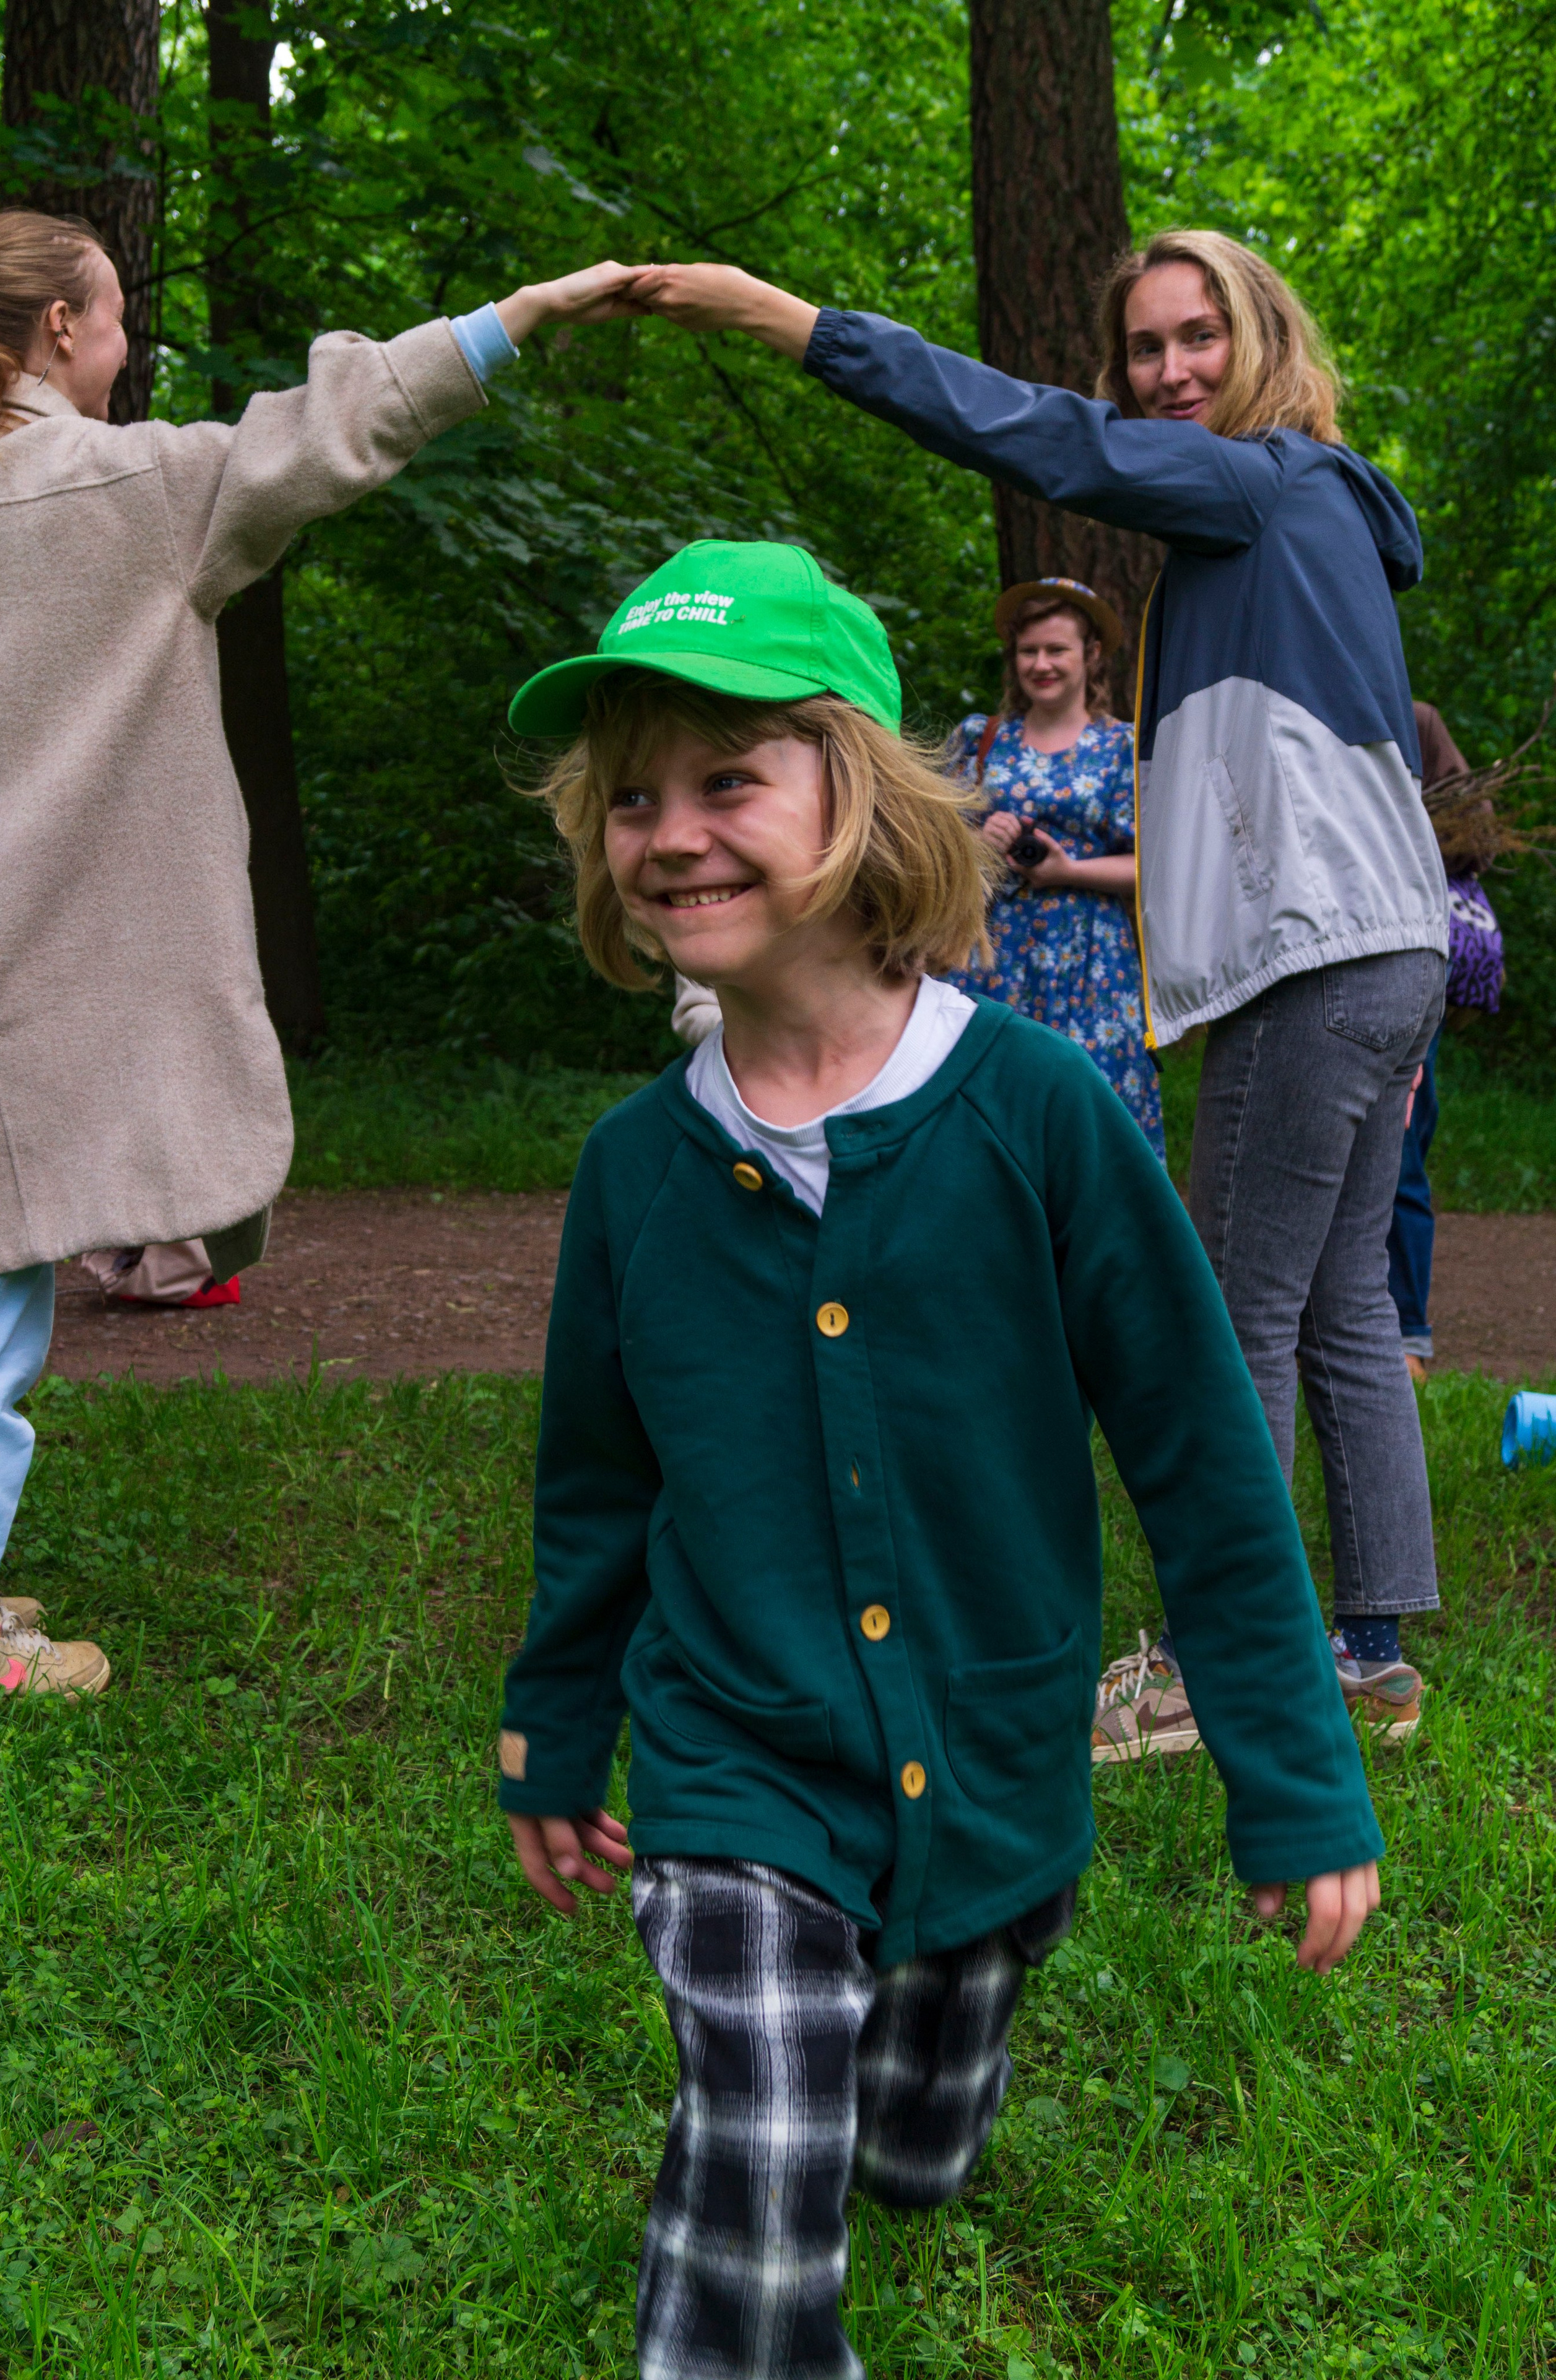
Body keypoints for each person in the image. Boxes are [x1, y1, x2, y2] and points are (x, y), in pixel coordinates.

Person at [496, 535, 1383, 2380]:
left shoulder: (1036, 1118)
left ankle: (915, 2109)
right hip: (735, 1748)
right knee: (757, 2129)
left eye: (726, 778)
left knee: (903, 2125)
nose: (669, 831)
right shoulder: (631, 1178)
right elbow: (594, 1482)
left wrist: (1289, 1771)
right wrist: (557, 1720)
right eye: (631, 797)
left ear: (862, 794)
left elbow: (1201, 1458)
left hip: (988, 1751)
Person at [627, 235, 1447, 1750]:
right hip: (1384, 949)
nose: (1168, 374)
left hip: (1317, 956)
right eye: (1141, 350)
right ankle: (1370, 1654)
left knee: (1230, 1313)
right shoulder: (1306, 521)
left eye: (1199, 336)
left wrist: (794, 324)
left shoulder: (1259, 483)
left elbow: (1034, 435)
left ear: (1265, 337)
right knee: (1337, 1303)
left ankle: (1226, 1664)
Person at [0, 209, 649, 1696]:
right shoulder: (126, 488)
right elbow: (337, 425)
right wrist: (520, 310)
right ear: (65, 332)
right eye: (115, 314)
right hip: (19, 979)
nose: (128, 341)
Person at [950, 577, 1163, 1158]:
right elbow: (928, 849)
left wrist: (1069, 871)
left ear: (1090, 655)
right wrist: (978, 843)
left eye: (1056, 650)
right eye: (1028, 651)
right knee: (986, 1110)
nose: (1040, 664)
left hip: (1094, 966)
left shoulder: (1123, 747)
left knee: (1094, 1117)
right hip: (989, 959)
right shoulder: (980, 740)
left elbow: (1159, 869)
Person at [1387, 700, 1504, 1381]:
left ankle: (1406, 1338)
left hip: (1404, 969)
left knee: (1396, 1157)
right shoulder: (1281, 703)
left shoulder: (1418, 719)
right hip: (1295, 972)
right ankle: (1307, 1329)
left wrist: (1397, 829)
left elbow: (1477, 842)